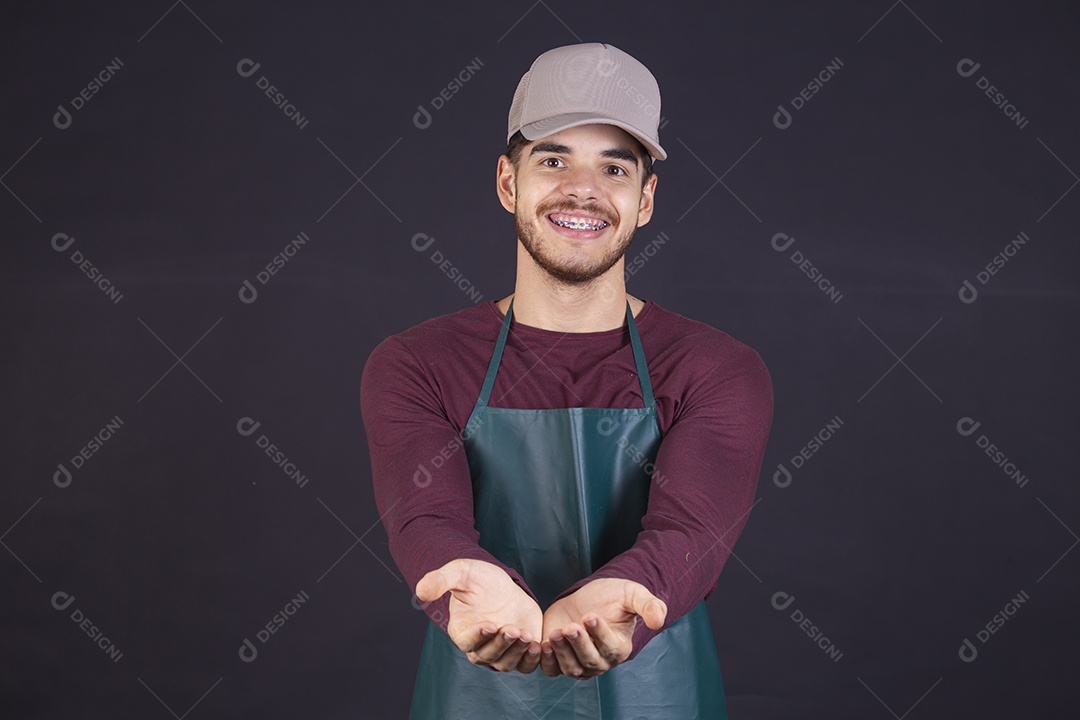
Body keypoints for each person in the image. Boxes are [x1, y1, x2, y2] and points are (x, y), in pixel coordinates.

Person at [360, 42, 773, 719]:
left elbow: (693, 529)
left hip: (659, 700)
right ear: (508, 183)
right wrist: (469, 583)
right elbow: (426, 519)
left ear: (644, 199)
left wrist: (622, 601)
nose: (583, 189)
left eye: (613, 167)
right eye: (554, 160)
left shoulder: (715, 368)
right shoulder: (417, 363)